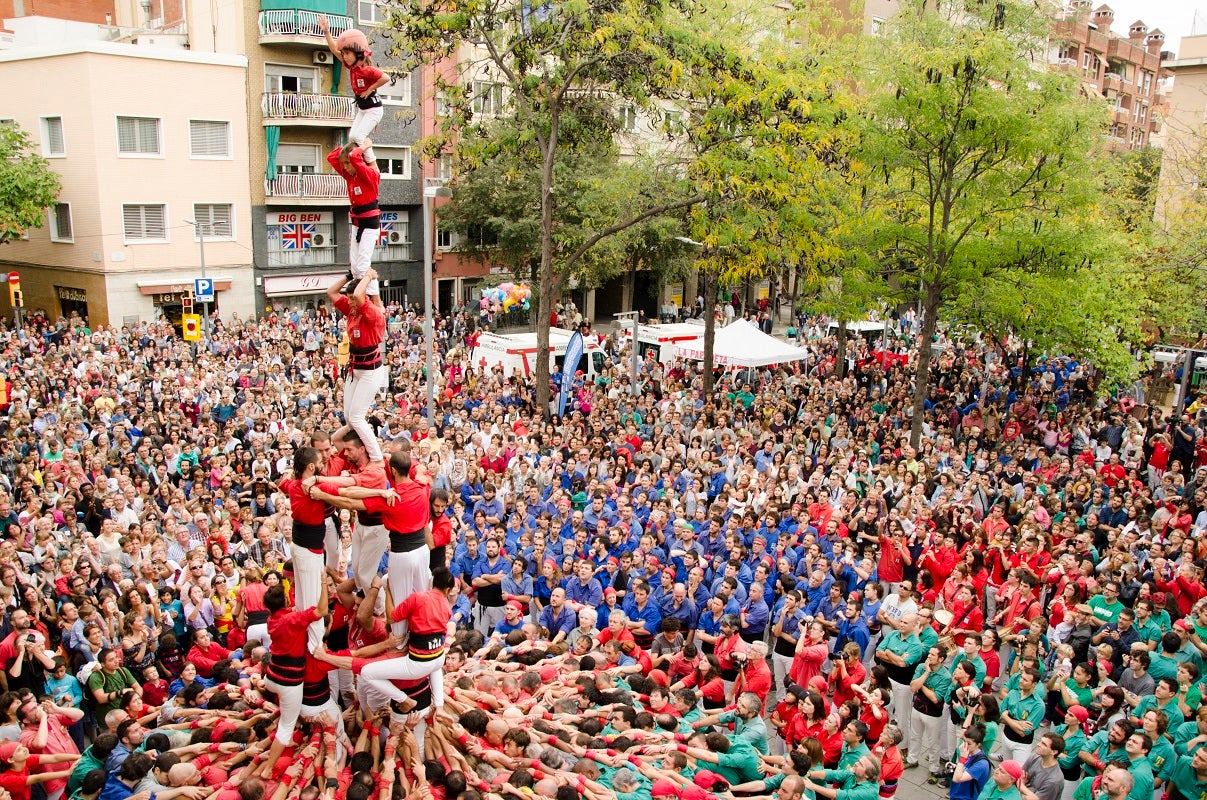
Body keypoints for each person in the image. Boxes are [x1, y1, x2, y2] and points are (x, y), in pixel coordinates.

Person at [310, 449, 431, 637]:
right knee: (421, 596)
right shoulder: (423, 485)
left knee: (399, 599)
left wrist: (322, 495)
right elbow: (418, 468)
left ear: (394, 471)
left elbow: (350, 502)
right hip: (422, 551)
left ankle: (399, 639)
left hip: (403, 553)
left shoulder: (391, 496)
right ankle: (423, 632)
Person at [253, 573, 328, 778]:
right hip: (288, 682)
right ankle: (268, 768)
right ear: (285, 600)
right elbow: (321, 610)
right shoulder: (292, 619)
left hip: (272, 676)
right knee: (286, 726)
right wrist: (322, 583)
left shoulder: (272, 619)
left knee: (288, 717)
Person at [357, 567, 456, 715]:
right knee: (435, 665)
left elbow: (391, 617)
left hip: (418, 663)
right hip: (438, 658)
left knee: (366, 673)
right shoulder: (447, 606)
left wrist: (388, 591)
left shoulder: (418, 598)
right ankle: (439, 705)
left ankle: (404, 699)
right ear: (448, 590)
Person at [326, 273, 387, 467]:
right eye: (349, 298)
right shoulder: (352, 310)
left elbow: (361, 296)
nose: (350, 301)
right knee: (348, 415)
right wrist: (349, 276)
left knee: (356, 416)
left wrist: (368, 276)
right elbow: (331, 292)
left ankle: (376, 457)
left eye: (353, 298)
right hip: (355, 368)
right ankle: (355, 444)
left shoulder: (372, 311)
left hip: (370, 371)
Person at [319, 17, 387, 162]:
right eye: (343, 54)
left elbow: (386, 78)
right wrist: (326, 32)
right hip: (363, 109)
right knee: (351, 137)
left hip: (374, 110)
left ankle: (371, 164)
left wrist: (370, 89)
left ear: (358, 53)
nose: (345, 57)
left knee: (358, 137)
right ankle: (364, 160)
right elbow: (333, 49)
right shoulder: (351, 67)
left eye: (347, 54)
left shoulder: (367, 70)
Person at [326, 142, 383, 303]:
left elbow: (354, 157)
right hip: (357, 223)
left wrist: (362, 146)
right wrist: (352, 142)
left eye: (347, 163)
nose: (345, 167)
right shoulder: (350, 176)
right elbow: (331, 157)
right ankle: (364, 296)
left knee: (364, 265)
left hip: (370, 224)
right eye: (344, 163)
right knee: (355, 268)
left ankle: (376, 300)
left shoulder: (368, 175)